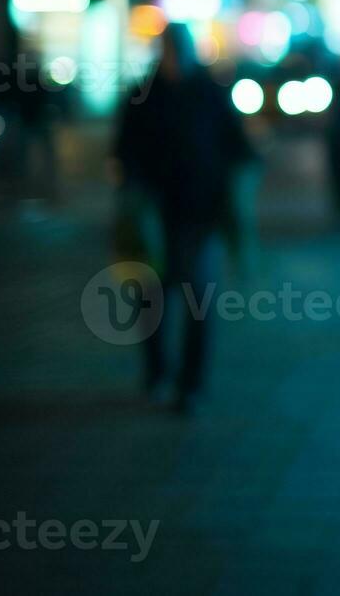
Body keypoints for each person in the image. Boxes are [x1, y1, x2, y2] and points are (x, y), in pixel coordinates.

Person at [113, 23, 258, 414]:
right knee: (151, 301)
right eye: (169, 49)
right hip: (154, 218)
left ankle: (190, 384)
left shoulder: (209, 92)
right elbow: (124, 149)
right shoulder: (142, 95)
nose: (175, 56)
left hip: (201, 215)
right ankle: (157, 373)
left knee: (198, 302)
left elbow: (237, 145)